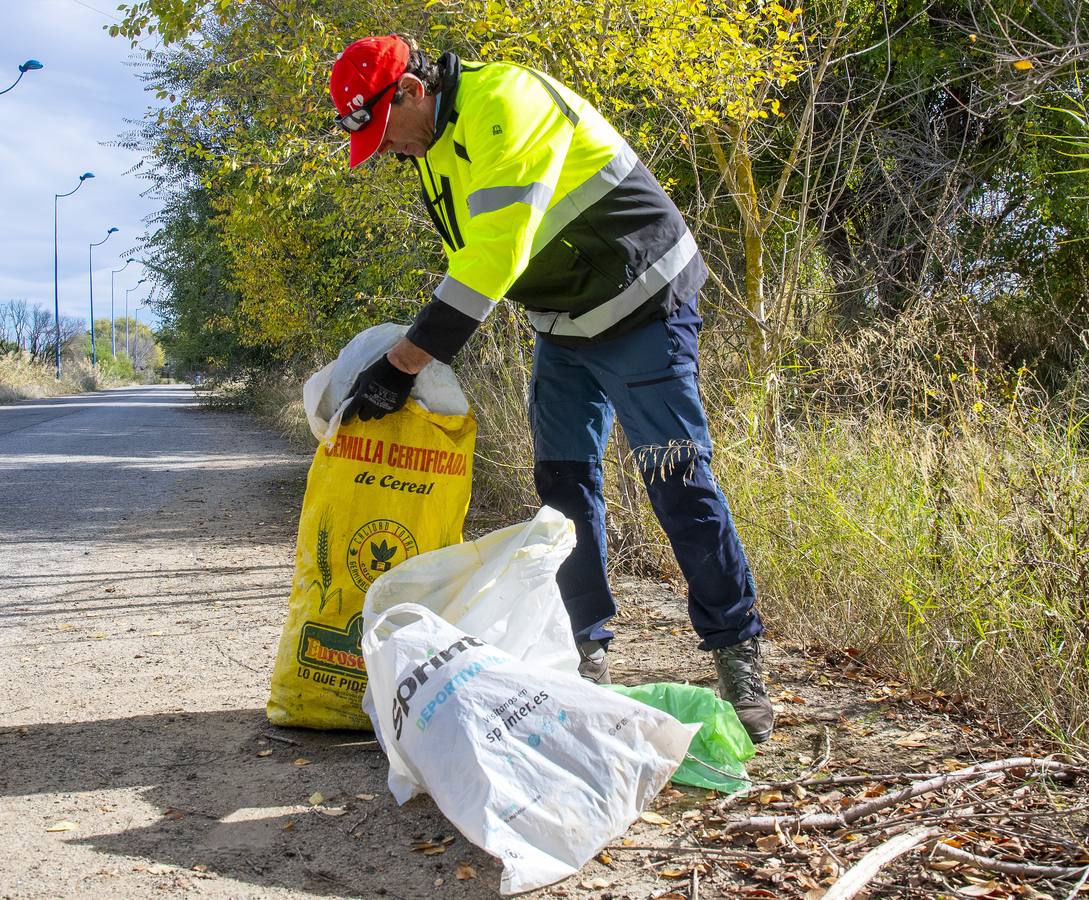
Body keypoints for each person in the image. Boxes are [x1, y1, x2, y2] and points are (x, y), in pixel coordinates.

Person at [329, 34, 774, 742]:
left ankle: (737, 656)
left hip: (644, 303)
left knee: (676, 477)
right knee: (563, 487)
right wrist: (417, 356)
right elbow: (468, 258)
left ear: (411, 92)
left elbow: (495, 254)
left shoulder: (505, 102)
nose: (387, 153)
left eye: (384, 136)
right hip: (565, 325)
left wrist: (404, 363)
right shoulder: (433, 147)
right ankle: (583, 649)